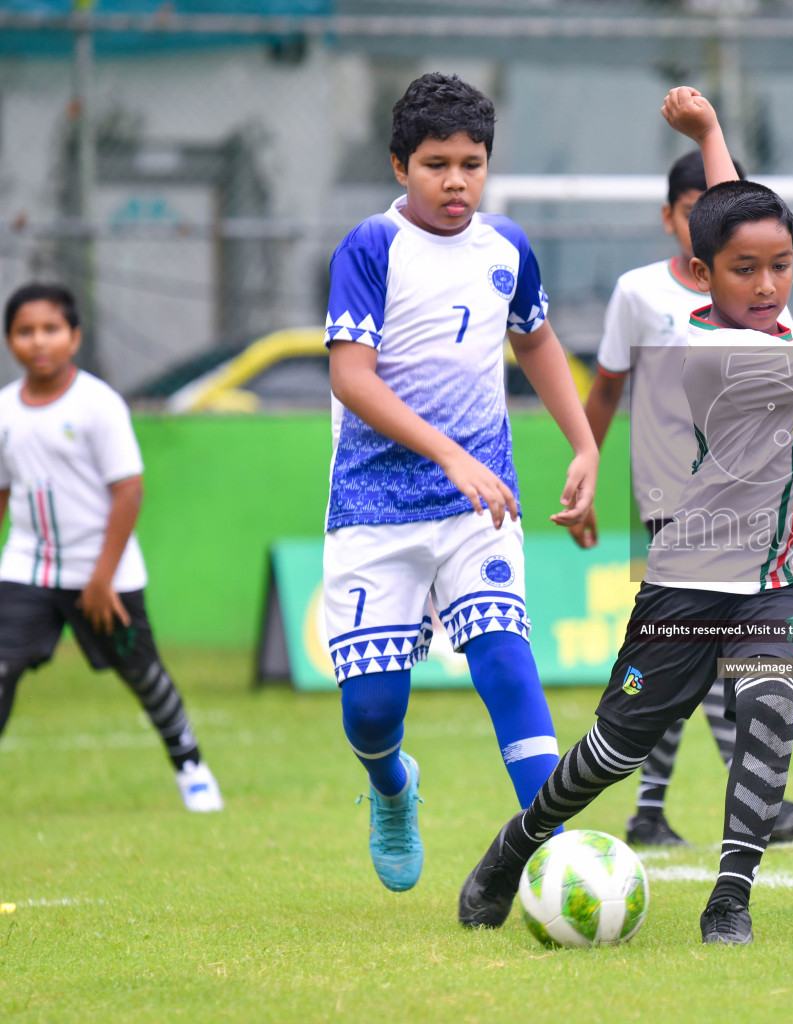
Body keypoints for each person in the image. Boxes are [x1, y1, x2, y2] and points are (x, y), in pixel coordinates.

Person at [457, 86, 793, 945]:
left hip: (786, 577)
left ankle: (728, 898)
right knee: (613, 751)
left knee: (771, 708)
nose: (769, 283)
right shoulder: (714, 350)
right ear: (702, 276)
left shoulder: (761, 309)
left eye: (783, 265)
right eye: (747, 270)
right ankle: (514, 847)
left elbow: (735, 218)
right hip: (689, 585)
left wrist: (709, 133)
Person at [324, 73, 597, 893]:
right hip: (373, 507)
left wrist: (582, 444)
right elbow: (351, 377)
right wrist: (448, 451)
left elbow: (537, 341)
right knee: (372, 712)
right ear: (400, 165)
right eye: (436, 164)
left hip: (478, 504)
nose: (456, 181)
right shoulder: (369, 248)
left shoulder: (506, 247)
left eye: (471, 164)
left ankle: (554, 858)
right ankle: (391, 786)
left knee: (507, 666)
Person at [574, 150, 793, 849]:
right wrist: (584, 465)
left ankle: (658, 808)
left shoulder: (758, 292)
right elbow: (606, 388)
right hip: (677, 498)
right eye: (691, 207)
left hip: (752, 503)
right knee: (691, 660)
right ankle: (738, 799)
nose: (766, 278)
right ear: (669, 218)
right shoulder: (641, 292)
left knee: (708, 662)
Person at [0, 282, 222, 813]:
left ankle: (189, 764)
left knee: (141, 673)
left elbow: (128, 491)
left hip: (105, 573)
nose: (39, 342)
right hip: (28, 565)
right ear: (10, 341)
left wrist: (100, 578)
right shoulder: (5, 410)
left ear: (73, 337)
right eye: (25, 331)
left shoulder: (99, 404)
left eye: (51, 329)